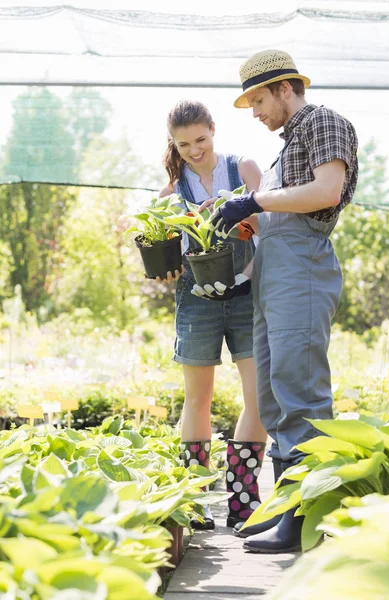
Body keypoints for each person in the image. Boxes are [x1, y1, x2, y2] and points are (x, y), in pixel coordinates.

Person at [192, 49, 358, 552]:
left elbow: (327, 190)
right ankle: (288, 508)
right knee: (271, 393)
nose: (257, 113)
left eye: (260, 100)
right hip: (273, 272)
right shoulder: (286, 147)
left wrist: (257, 199)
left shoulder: (324, 122)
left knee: (299, 389)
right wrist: (248, 225)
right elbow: (282, 207)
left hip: (302, 271)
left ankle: (308, 516)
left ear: (286, 88)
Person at [158, 99, 268, 530]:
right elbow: (165, 254)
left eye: (200, 139)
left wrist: (234, 212)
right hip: (196, 297)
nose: (194, 150)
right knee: (198, 397)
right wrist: (166, 267)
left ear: (214, 131)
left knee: (257, 395)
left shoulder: (243, 169)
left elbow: (271, 226)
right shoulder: (170, 192)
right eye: (183, 144)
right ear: (174, 144)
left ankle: (243, 499)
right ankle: (196, 501)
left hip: (245, 292)